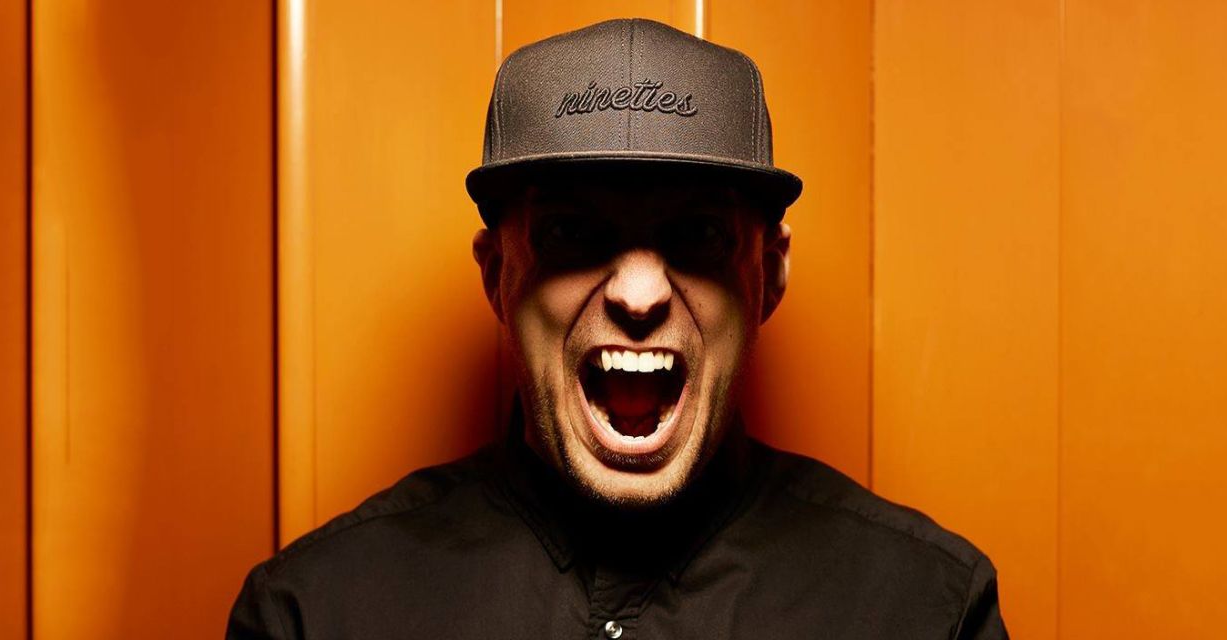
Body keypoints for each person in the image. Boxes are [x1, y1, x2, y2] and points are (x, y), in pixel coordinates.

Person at [227, 18, 1008, 639]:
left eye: (699, 235)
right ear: (498, 275)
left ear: (768, 276)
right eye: (572, 232)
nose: (639, 294)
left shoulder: (925, 611)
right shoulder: (315, 614)